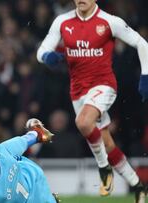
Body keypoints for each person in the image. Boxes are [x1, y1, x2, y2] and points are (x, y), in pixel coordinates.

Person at [36, 0, 148, 201]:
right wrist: (48, 56)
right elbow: (41, 51)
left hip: (104, 85)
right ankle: (137, 184)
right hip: (78, 92)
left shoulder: (109, 21)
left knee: (83, 122)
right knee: (106, 142)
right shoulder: (62, 22)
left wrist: (146, 76)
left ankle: (104, 168)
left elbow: (142, 43)